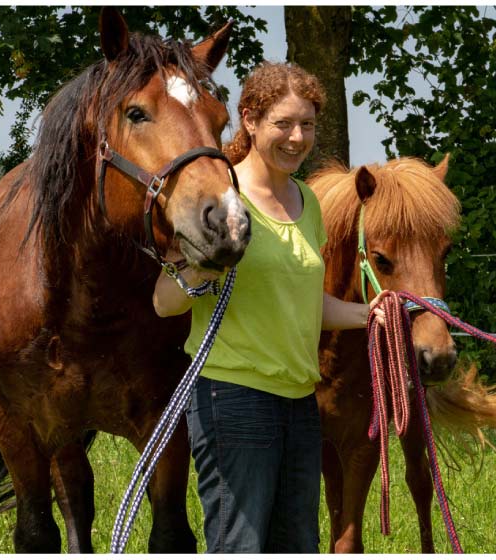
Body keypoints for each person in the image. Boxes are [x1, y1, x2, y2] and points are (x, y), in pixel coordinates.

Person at [151, 61, 377, 553]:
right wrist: (207, 267)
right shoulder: (219, 196)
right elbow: (163, 302)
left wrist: (372, 316)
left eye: (308, 125)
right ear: (250, 120)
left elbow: (303, 302)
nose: (297, 137)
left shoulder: (306, 202)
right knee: (242, 545)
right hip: (233, 399)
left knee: (298, 544)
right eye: (284, 124)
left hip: (299, 401)